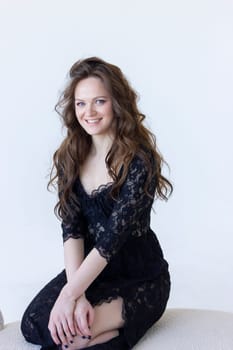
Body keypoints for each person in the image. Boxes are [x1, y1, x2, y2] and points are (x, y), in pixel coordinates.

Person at [21, 57, 173, 350]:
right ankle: (101, 332)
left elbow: (111, 243)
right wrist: (76, 295)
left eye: (99, 101)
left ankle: (104, 332)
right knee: (34, 322)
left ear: (117, 103)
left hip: (140, 275)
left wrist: (69, 296)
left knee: (67, 338)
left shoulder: (139, 161)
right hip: (90, 272)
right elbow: (72, 230)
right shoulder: (71, 155)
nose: (88, 112)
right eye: (80, 103)